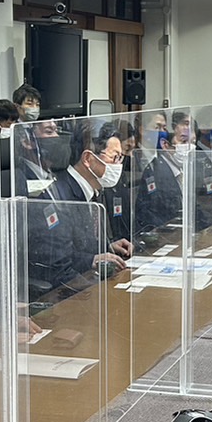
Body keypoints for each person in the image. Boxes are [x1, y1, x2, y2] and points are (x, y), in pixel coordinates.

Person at [29, 120, 134, 297]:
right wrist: (92, 260)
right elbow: (57, 264)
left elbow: (80, 244)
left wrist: (108, 247)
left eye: (120, 158)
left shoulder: (92, 191)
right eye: (114, 157)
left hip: (90, 281)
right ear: (87, 159)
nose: (118, 165)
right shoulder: (58, 197)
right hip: (65, 295)